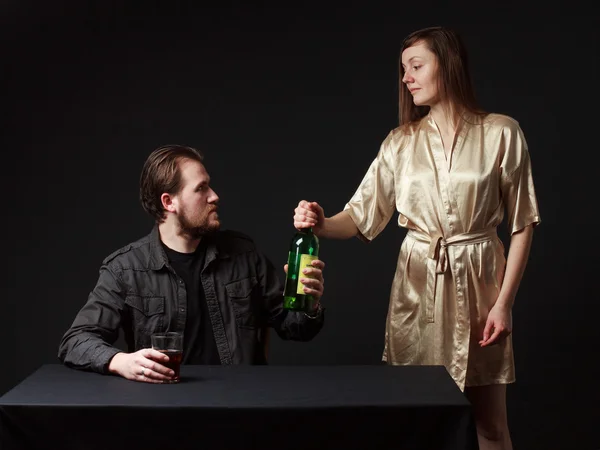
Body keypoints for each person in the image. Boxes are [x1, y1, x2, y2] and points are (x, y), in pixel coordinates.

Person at [293, 26, 540, 450]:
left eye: (416, 65)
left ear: (449, 64)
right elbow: (358, 216)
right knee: (415, 424)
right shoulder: (400, 143)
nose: (406, 78)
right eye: (403, 69)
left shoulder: (502, 132)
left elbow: (522, 224)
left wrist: (504, 304)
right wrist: (320, 222)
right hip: (418, 286)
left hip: (480, 286)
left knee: (490, 425)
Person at [59, 144, 325, 384]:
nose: (214, 196)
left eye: (209, 185)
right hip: (163, 412)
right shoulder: (125, 269)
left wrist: (309, 303)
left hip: (240, 407)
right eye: (201, 188)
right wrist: (122, 362)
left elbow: (296, 329)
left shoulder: (243, 253)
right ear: (169, 202)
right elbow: (75, 341)